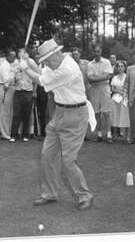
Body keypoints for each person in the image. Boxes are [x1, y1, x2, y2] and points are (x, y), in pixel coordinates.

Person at [18, 38, 94, 211]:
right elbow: (43, 73)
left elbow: (42, 80)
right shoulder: (56, 64)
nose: (45, 64)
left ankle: (85, 195)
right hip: (59, 112)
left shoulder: (68, 68)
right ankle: (50, 193)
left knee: (68, 161)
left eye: (46, 61)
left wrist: (25, 69)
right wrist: (28, 61)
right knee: (47, 154)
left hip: (76, 116)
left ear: (56, 54)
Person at [87, 44, 113, 143]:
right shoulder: (90, 64)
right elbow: (90, 79)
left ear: (101, 52)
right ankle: (99, 134)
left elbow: (108, 76)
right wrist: (103, 77)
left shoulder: (106, 62)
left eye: (98, 51)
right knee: (96, 112)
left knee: (106, 112)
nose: (96, 53)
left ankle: (109, 135)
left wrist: (96, 78)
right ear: (93, 52)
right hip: (94, 89)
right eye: (95, 52)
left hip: (105, 88)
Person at [10, 48, 35, 143]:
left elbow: (35, 75)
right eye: (19, 53)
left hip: (28, 91)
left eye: (22, 53)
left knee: (27, 114)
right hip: (18, 91)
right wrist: (17, 73)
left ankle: (25, 135)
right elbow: (12, 77)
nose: (21, 54)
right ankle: (14, 135)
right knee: (16, 114)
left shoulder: (31, 62)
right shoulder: (15, 63)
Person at [0, 49, 17, 140]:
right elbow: (6, 81)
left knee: (10, 112)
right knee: (4, 112)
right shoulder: (3, 66)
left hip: (12, 88)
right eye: (13, 56)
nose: (15, 57)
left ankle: (9, 131)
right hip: (5, 89)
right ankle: (4, 133)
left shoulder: (12, 65)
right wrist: (15, 77)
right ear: (8, 56)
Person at [109, 60, 130, 141]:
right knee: (115, 116)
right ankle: (114, 134)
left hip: (124, 98)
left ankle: (127, 135)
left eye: (122, 66)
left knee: (125, 116)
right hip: (115, 99)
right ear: (117, 68)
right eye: (119, 66)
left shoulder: (127, 77)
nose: (120, 68)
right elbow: (112, 89)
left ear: (125, 67)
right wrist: (119, 91)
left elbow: (128, 88)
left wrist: (122, 91)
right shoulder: (114, 77)